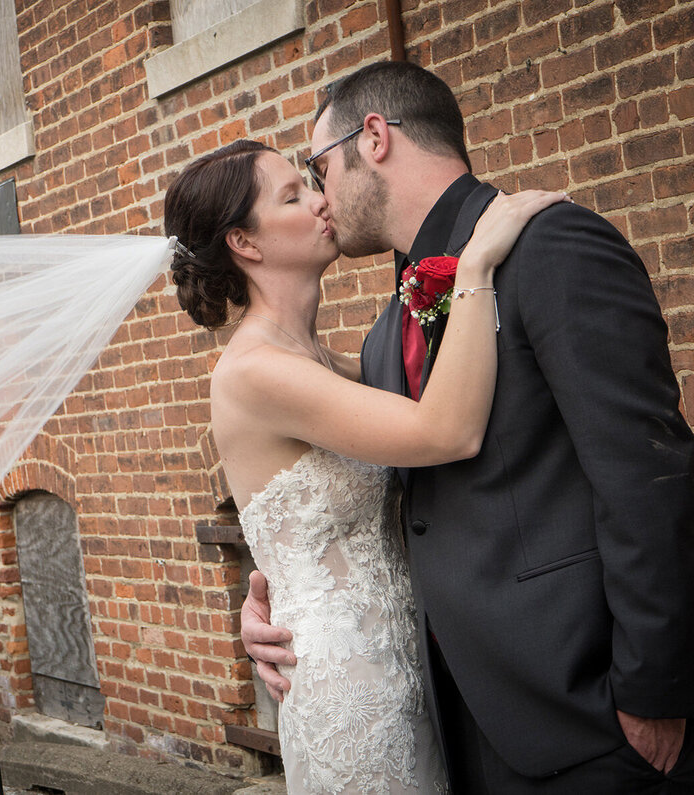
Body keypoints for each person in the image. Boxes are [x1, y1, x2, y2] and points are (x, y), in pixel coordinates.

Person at [239, 61, 694, 792]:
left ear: (375, 138)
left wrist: (655, 688)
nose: (320, 195)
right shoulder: (385, 334)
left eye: (317, 167)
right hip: (454, 727)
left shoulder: (553, 248)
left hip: (594, 717)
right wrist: (277, 592)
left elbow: (649, 474)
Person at [164, 135, 565, 793]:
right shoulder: (256, 371)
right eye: (293, 194)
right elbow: (447, 429)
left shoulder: (324, 362)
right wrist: (476, 268)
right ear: (246, 243)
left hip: (409, 666)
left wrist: (267, 590)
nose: (322, 200)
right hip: (349, 693)